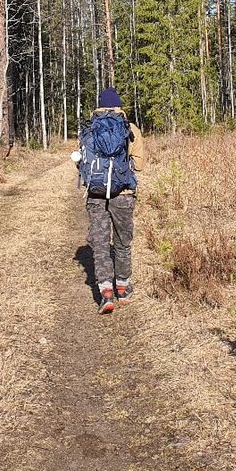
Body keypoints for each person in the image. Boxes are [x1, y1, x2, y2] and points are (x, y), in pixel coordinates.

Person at [74, 87, 146, 314]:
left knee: (100, 245)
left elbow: (81, 162)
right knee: (122, 242)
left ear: (99, 106)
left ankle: (106, 294)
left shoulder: (89, 129)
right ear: (118, 105)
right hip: (123, 194)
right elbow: (139, 165)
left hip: (95, 195)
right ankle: (122, 289)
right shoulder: (130, 129)